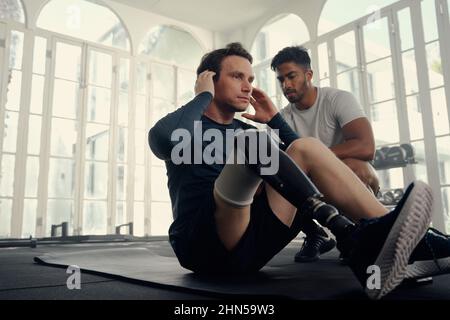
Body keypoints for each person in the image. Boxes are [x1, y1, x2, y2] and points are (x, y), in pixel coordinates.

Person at [148, 43, 449, 300]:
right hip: (204, 244)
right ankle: (353, 236)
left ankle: (396, 239)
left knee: (300, 147)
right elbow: (167, 140)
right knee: (255, 144)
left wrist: (275, 120)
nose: (247, 86)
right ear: (209, 79)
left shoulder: (247, 129)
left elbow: (305, 156)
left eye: (250, 78)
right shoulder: (180, 126)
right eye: (237, 76)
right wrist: (202, 96)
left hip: (252, 245)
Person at [270, 46, 379, 263]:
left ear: (308, 75)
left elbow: (366, 146)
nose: (286, 85)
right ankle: (315, 233)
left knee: (355, 165)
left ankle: (364, 233)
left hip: (352, 175)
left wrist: (316, 159)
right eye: (281, 79)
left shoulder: (337, 99)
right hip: (310, 187)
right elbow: (275, 165)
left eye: (291, 76)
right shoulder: (282, 117)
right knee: (280, 178)